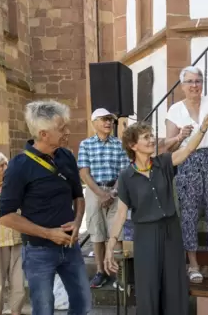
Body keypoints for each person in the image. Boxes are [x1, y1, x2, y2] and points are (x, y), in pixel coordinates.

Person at [104, 112, 208, 315]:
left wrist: (204, 127)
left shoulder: (163, 163)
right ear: (133, 146)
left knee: (174, 283)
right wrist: (111, 242)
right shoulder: (126, 176)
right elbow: (121, 213)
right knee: (148, 285)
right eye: (146, 137)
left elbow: (189, 149)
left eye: (151, 135)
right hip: (145, 234)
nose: (152, 140)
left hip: (171, 231)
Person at [0, 100, 91, 315]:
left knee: (83, 305)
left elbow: (79, 195)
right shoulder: (18, 166)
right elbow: (6, 217)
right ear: (43, 134)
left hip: (70, 246)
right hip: (38, 251)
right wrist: (49, 234)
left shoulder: (66, 156)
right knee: (43, 309)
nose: (68, 132)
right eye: (61, 128)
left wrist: (77, 222)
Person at [164, 62, 208, 284]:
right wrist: (179, 137)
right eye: (190, 82)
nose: (195, 85)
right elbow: (169, 148)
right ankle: (193, 265)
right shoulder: (175, 110)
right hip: (187, 161)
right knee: (188, 214)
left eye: (198, 81)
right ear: (182, 85)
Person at [78, 108, 130, 288]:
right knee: (97, 234)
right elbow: (84, 172)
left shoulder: (119, 144)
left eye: (110, 120)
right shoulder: (85, 144)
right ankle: (100, 271)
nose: (108, 123)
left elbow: (124, 171)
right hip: (94, 191)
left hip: (115, 191)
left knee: (118, 234)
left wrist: (113, 193)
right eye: (104, 119)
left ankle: (120, 274)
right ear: (94, 123)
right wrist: (101, 194)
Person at [0, 152, 25, 315]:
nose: (5, 168)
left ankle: (16, 311)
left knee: (19, 283)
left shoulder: (12, 183)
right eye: (0, 166)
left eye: (5, 164)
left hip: (16, 238)